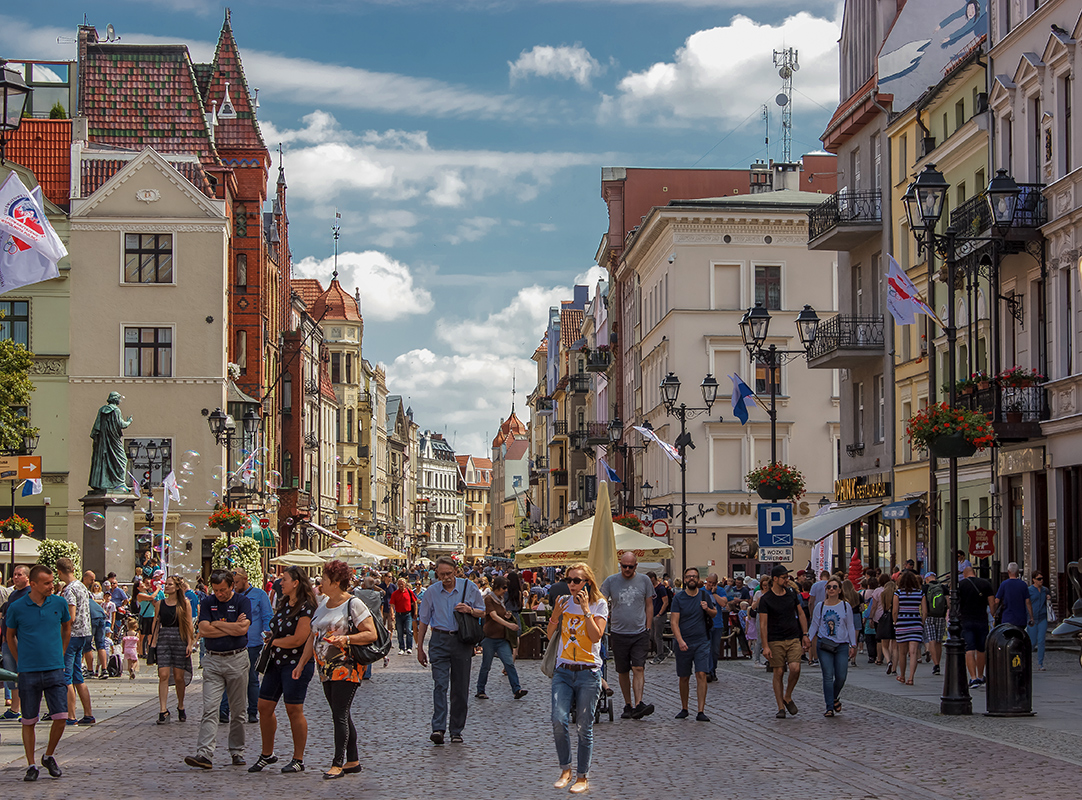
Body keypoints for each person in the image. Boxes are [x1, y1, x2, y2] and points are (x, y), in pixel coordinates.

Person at [301, 560, 376, 778]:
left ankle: (337, 763)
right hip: (325, 669)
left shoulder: (353, 604)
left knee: (339, 714)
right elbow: (312, 637)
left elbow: (371, 634)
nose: (320, 582)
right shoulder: (323, 603)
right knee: (340, 713)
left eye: (323, 578)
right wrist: (302, 663)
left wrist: (346, 639)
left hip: (346, 667)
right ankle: (353, 760)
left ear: (335, 582)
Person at [249, 566, 318, 775]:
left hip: (296, 663)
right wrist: (273, 639)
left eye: (284, 579)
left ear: (296, 582)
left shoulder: (306, 606)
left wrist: (274, 642)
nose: (280, 582)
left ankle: (298, 758)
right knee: (264, 706)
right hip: (276, 661)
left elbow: (299, 638)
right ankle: (267, 754)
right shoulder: (284, 603)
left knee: (293, 709)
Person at [5, 565, 71, 781]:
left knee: (61, 716)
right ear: (33, 584)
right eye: (47, 583)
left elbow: (67, 628)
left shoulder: (59, 603)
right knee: (29, 720)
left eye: (52, 582)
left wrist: (60, 654)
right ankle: (31, 764)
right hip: (28, 671)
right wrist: (19, 659)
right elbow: (10, 636)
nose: (52, 586)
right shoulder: (16, 607)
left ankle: (48, 755)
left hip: (54, 668)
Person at [546, 562, 608, 795]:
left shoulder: (599, 604)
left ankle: (582, 776)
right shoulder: (562, 601)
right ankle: (565, 769)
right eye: (568, 580)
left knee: (584, 726)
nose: (571, 585)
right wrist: (555, 614)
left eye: (576, 580)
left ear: (587, 582)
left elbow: (595, 637)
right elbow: (550, 634)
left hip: (588, 672)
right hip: (563, 670)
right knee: (558, 719)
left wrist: (586, 610)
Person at [184, 570, 252, 769]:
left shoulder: (242, 601)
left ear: (231, 586)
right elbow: (203, 630)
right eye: (216, 590)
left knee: (238, 710)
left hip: (237, 658)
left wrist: (217, 624)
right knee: (210, 709)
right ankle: (204, 753)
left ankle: (237, 750)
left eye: (223, 590)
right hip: (213, 660)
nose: (219, 594)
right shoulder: (207, 602)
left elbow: (242, 630)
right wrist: (229, 626)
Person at [416, 555, 485, 745]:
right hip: (439, 640)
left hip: (461, 641)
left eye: (449, 574)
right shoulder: (431, 592)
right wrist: (419, 647)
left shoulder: (468, 587)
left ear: (455, 571)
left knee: (460, 688)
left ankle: (456, 730)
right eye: (442, 574)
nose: (446, 578)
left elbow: (483, 611)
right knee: (440, 685)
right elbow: (423, 620)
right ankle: (438, 728)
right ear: (436, 573)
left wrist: (470, 610)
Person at [600, 552, 655, 720]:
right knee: (623, 670)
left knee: (638, 667)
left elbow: (649, 605)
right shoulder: (611, 581)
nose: (627, 569)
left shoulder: (644, 580)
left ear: (636, 566)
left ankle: (639, 704)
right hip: (618, 632)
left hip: (639, 632)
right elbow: (602, 601)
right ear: (620, 564)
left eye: (631, 566)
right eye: (624, 566)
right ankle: (628, 704)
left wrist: (648, 627)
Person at [220, 567, 273, 725]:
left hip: (252, 643)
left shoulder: (259, 594)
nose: (234, 585)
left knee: (251, 678)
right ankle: (223, 711)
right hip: (231, 643)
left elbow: (267, 615)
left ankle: (252, 711)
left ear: (245, 578)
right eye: (232, 583)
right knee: (228, 678)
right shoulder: (230, 596)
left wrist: (267, 634)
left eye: (236, 582)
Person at [759, 565, 810, 719]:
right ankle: (780, 707)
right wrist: (765, 646)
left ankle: (787, 696)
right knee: (779, 671)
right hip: (775, 639)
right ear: (775, 579)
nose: (787, 580)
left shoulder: (791, 594)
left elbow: (800, 613)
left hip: (793, 637)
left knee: (795, 668)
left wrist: (805, 634)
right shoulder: (765, 599)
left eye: (787, 577)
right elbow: (763, 624)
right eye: (784, 577)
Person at [670, 567, 717, 721]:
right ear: (684, 579)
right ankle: (684, 707)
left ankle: (701, 710)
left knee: (701, 673)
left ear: (698, 580)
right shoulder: (678, 598)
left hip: (702, 641)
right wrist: (680, 640)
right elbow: (674, 622)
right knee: (684, 676)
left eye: (694, 577)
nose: (692, 579)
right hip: (684, 641)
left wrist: (707, 609)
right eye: (689, 576)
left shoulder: (704, 595)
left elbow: (714, 613)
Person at [809, 578, 857, 717]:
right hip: (824, 644)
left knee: (841, 676)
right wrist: (808, 638)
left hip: (841, 644)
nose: (831, 589)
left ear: (840, 590)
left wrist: (853, 644)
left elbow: (850, 625)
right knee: (828, 676)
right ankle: (829, 706)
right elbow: (815, 624)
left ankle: (834, 697)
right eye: (829, 587)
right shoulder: (821, 606)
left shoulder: (845, 606)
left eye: (834, 587)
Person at [474, 575, 526, 700]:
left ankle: (516, 689)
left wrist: (507, 616)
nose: (505, 590)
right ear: (497, 586)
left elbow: (500, 615)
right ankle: (480, 690)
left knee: (509, 663)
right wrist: (509, 624)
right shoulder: (489, 599)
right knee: (486, 665)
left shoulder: (501, 599)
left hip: (502, 638)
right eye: (504, 587)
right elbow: (493, 615)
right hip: (490, 638)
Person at [151, 575, 194, 724]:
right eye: (166, 584)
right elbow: (155, 623)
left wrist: (190, 643)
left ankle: (180, 705)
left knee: (178, 677)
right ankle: (163, 710)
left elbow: (189, 624)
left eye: (169, 584)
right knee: (163, 674)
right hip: (164, 638)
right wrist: (153, 643)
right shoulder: (160, 603)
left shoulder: (184, 603)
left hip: (179, 637)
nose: (166, 586)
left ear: (176, 587)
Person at [57, 558, 95, 726]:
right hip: (85, 633)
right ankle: (88, 714)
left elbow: (70, 616)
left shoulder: (70, 589)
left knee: (66, 677)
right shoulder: (81, 585)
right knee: (78, 675)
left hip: (73, 635)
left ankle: (70, 716)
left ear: (59, 572)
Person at [1, 564, 31, 720]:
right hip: (8, 639)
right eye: (14, 574)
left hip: (21, 640)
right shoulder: (13, 595)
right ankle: (14, 709)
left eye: (19, 574)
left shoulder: (30, 594)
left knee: (23, 673)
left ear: (27, 577)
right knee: (11, 675)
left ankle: (28, 709)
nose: (16, 577)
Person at [958, 565, 995, 688]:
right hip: (981, 619)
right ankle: (980, 676)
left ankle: (972, 678)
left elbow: (955, 602)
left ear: (965, 574)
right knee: (981, 648)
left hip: (966, 619)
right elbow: (992, 602)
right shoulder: (985, 584)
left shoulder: (961, 585)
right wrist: (993, 614)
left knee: (969, 649)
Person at [891, 569, 926, 686]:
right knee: (913, 652)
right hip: (916, 623)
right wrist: (921, 622)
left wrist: (895, 622)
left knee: (902, 652)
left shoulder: (898, 593)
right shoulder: (920, 593)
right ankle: (911, 677)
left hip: (902, 623)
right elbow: (925, 612)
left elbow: (895, 611)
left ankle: (902, 675)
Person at [994, 562, 1034, 629]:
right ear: (1018, 571)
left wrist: (993, 612)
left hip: (1007, 618)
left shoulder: (1004, 584)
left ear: (1008, 571)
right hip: (1021, 619)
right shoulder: (1023, 585)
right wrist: (1031, 617)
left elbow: (997, 601)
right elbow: (1028, 602)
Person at [922, 573, 946, 675]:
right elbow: (948, 602)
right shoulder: (943, 587)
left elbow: (923, 605)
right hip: (941, 616)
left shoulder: (925, 588)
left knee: (931, 639)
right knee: (939, 641)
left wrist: (923, 618)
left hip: (930, 616)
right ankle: (938, 663)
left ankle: (935, 665)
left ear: (927, 579)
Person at [1027, 571, 1050, 671]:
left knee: (1041, 641)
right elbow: (1027, 603)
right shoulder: (1029, 590)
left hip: (1042, 617)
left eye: (1042, 578)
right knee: (1032, 642)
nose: (1041, 580)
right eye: (1039, 579)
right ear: (1034, 580)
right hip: (1032, 618)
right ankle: (1027, 660)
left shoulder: (1045, 590)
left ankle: (1040, 663)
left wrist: (1049, 598)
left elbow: (1048, 603)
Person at [806, 570, 830, 665]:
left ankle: (815, 658)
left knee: (814, 636)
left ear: (820, 576)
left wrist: (811, 613)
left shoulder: (815, 585)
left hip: (817, 611)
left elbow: (811, 601)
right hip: (828, 611)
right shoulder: (830, 585)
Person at [390, 578, 418, 655]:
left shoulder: (409, 592)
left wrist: (415, 612)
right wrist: (392, 614)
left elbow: (415, 602)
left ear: (405, 584)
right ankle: (401, 648)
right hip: (399, 615)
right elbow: (392, 605)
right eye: (399, 584)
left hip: (407, 614)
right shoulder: (395, 594)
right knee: (400, 632)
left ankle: (409, 647)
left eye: (402, 584)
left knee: (409, 631)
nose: (401, 585)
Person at [648, 571, 671, 663]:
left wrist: (660, 614)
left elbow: (665, 602)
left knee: (657, 636)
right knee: (652, 635)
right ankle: (666, 650)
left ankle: (660, 655)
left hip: (659, 615)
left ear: (653, 578)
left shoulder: (660, 588)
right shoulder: (650, 588)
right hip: (652, 614)